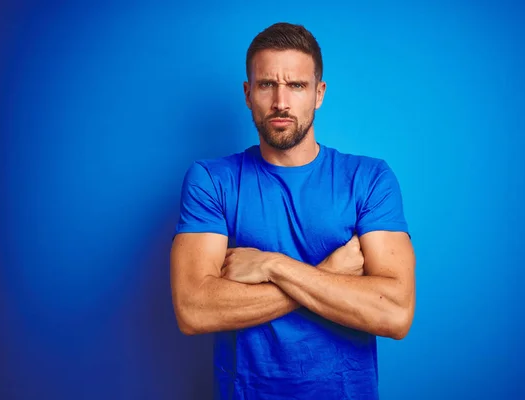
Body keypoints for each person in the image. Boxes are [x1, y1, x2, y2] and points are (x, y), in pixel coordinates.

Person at [170, 22, 416, 400]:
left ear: (319, 93)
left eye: (296, 86)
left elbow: (395, 313)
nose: (281, 101)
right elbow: (194, 310)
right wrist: (329, 274)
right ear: (248, 94)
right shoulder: (212, 180)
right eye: (267, 85)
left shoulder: (368, 179)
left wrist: (273, 266)